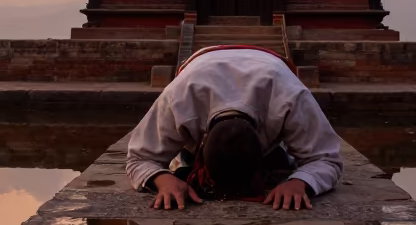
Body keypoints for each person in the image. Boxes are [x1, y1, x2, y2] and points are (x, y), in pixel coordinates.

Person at [125, 46, 343, 211]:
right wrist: (164, 180)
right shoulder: (179, 98)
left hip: (269, 64)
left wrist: (299, 182)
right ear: (200, 146)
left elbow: (326, 158)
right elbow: (139, 158)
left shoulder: (290, 96)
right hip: (203, 62)